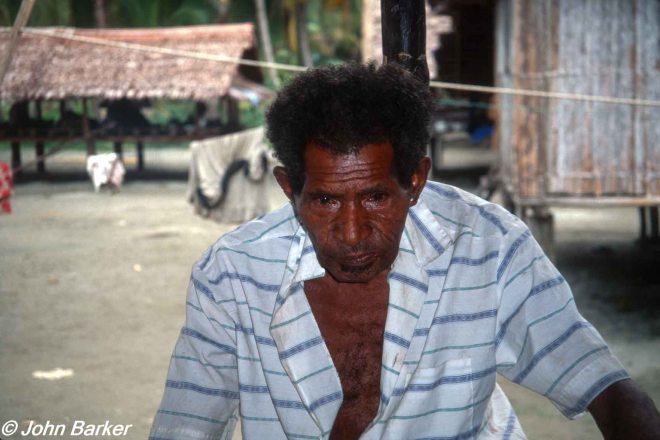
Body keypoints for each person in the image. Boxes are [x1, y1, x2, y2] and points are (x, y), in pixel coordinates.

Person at [150, 63, 660, 440]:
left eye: (375, 197)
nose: (352, 234)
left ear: (415, 181)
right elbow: (187, 425)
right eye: (325, 201)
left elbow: (606, 387)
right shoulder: (232, 275)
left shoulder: (489, 247)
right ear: (289, 188)